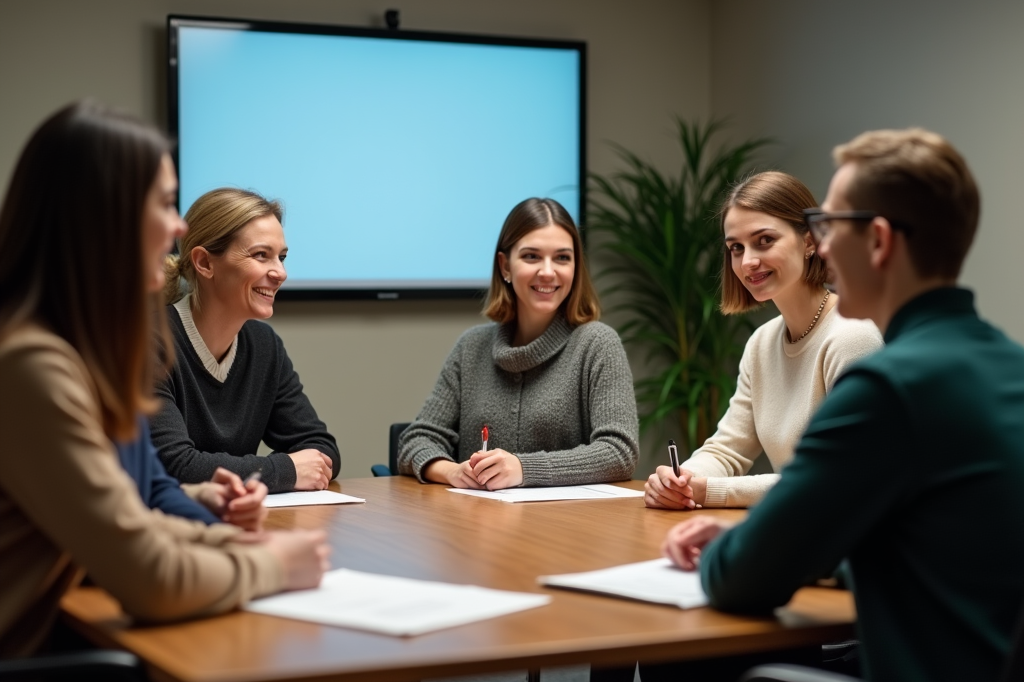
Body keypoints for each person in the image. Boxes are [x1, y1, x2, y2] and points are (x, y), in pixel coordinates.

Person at [663, 129, 1024, 682]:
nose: (822, 247)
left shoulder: (885, 387)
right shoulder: (1011, 365)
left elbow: (741, 578)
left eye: (829, 228)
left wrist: (745, 541)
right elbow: (943, 549)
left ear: (877, 241)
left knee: (679, 663)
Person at [0, 102, 330, 682]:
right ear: (101, 217)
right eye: (162, 203)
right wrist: (269, 563)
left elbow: (144, 496)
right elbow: (147, 572)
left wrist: (219, 527)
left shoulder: (87, 350)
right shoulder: (33, 365)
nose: (179, 227)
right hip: (43, 667)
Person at [644, 171, 882, 511]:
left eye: (764, 240)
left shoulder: (852, 336)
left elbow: (841, 474)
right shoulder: (762, 342)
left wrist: (709, 491)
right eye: (736, 248)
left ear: (811, 241)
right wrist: (681, 480)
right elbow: (728, 449)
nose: (748, 261)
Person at [398, 197, 639, 489]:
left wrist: (525, 468)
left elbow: (619, 453)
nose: (548, 271)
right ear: (505, 266)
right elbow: (416, 440)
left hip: (568, 527)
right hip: (477, 526)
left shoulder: (598, 344)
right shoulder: (472, 347)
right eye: (531, 256)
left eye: (562, 258)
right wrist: (452, 472)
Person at [151, 188, 340, 494]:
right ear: (204, 263)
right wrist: (286, 470)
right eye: (261, 255)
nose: (280, 273)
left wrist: (270, 471)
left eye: (282, 257)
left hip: (239, 522)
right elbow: (175, 466)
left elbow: (322, 452)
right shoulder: (150, 342)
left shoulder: (264, 345)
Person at [118, 415, 268, 531]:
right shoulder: (101, 399)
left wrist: (199, 496)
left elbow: (155, 491)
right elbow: (123, 528)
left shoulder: (127, 395)